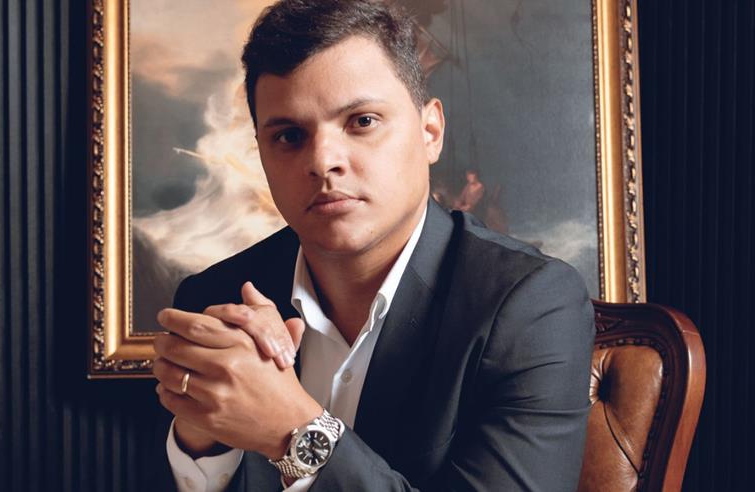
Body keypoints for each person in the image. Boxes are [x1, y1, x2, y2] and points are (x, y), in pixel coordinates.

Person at [151, 1, 595, 490]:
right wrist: (203, 442)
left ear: (430, 132)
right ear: (262, 154)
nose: (323, 161)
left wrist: (294, 430)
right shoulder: (212, 298)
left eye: (362, 121)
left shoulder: (531, 306)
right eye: (290, 135)